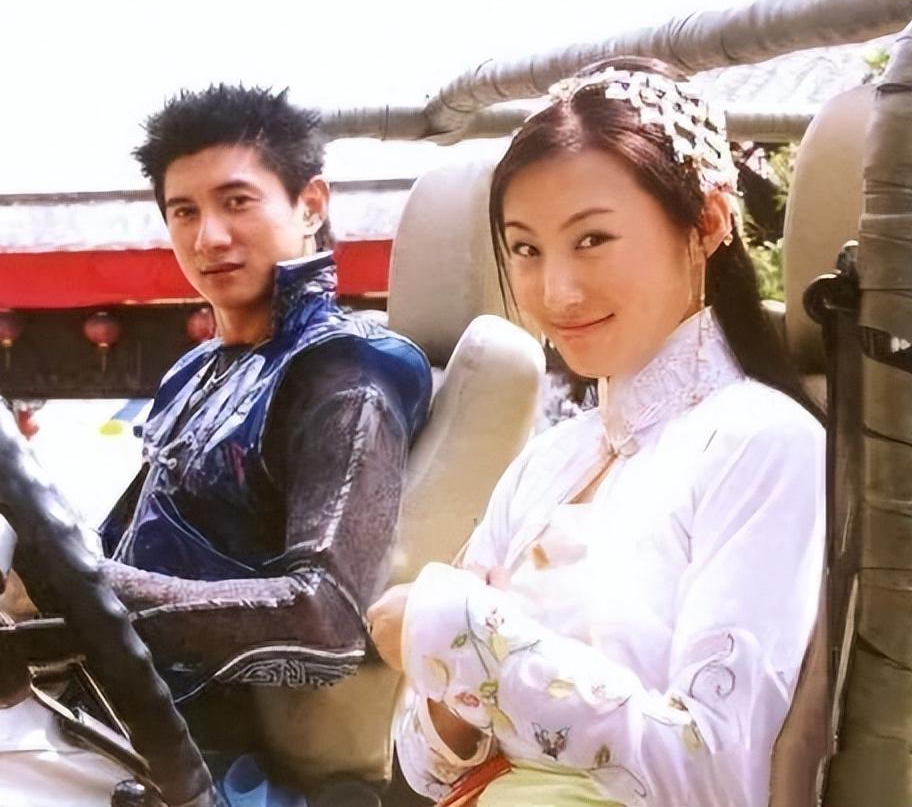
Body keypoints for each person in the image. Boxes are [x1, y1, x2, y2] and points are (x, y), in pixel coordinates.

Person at [368, 58, 824, 807]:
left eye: (592, 240)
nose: (557, 292)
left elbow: (715, 774)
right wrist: (462, 671)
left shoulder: (764, 444)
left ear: (708, 223)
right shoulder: (546, 461)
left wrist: (462, 635)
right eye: (526, 248)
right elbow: (425, 764)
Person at [95, 84, 432, 790]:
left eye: (237, 201)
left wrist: (92, 590)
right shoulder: (194, 370)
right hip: (102, 713)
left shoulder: (347, 371)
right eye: (184, 211)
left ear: (311, 204)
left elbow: (325, 622)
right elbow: (114, 545)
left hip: (188, 762)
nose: (208, 237)